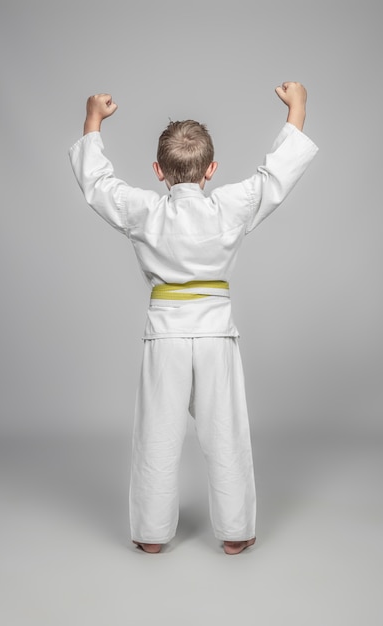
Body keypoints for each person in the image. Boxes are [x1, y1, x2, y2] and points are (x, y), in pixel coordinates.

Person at [69, 82, 318, 555]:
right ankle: (237, 530)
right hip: (215, 334)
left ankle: (150, 535)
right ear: (212, 170)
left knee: (156, 439)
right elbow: (276, 177)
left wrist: (93, 122)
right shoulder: (230, 206)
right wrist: (298, 107)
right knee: (226, 435)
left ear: (158, 171)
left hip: (165, 335)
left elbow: (97, 185)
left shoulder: (143, 210)